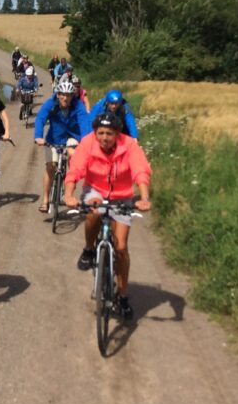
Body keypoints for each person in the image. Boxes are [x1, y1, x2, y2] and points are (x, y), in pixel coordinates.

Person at [63, 112, 152, 320]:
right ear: (95, 133)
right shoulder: (87, 143)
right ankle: (88, 249)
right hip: (95, 190)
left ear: (117, 134)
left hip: (122, 196)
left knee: (121, 247)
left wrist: (144, 197)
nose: (104, 137)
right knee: (94, 211)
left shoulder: (129, 145)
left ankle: (123, 296)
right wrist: (68, 194)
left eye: (109, 133)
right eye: (101, 133)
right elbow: (76, 168)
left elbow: (140, 170)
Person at [34, 79, 91, 213]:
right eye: (62, 94)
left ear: (73, 96)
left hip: (72, 137)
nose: (65, 98)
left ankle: (69, 191)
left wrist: (85, 142)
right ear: (58, 94)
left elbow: (84, 124)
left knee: (74, 160)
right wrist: (38, 136)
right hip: (54, 138)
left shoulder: (78, 106)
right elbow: (41, 118)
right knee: (50, 166)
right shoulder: (51, 103)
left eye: (69, 95)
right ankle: (45, 199)